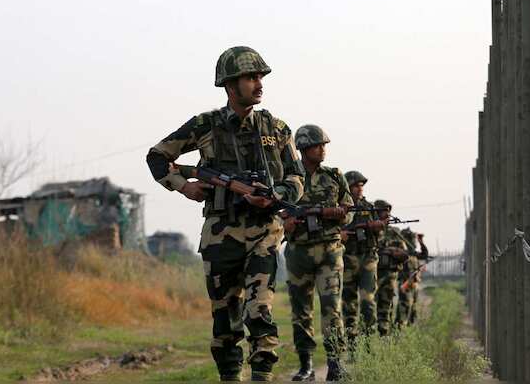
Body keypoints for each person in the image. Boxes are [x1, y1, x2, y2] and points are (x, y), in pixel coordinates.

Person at [146, 46, 304, 381]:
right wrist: (184, 186)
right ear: (230, 85)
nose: (259, 83)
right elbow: (157, 156)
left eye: (260, 77)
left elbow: (297, 177)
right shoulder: (205, 125)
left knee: (259, 311)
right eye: (251, 77)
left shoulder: (277, 129)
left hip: (264, 232)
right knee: (225, 321)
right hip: (221, 235)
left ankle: (261, 376)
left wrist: (275, 197)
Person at [282, 125, 353, 381]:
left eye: (324, 145)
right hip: (298, 251)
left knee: (332, 308)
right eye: (317, 145)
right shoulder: (287, 176)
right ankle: (306, 365)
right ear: (303, 148)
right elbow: (272, 208)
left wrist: (337, 214)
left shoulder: (334, 176)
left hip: (329, 251)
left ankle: (335, 364)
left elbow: (350, 210)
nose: (322, 149)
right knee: (301, 310)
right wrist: (285, 222)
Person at [340, 171, 385, 349]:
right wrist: (341, 234)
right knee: (349, 304)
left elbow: (380, 233)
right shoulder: (340, 208)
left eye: (361, 186)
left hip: (367, 257)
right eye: (355, 186)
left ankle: (368, 344)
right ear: (348, 188)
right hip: (347, 258)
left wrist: (377, 226)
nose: (360, 189)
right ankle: (352, 344)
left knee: (367, 301)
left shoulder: (369, 208)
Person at [374, 200, 408, 337]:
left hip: (390, 275)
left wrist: (394, 252)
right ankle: (366, 335)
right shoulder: (371, 230)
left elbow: (405, 255)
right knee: (368, 305)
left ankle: (384, 335)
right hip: (372, 273)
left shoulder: (394, 233)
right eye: (383, 211)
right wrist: (385, 251)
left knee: (386, 306)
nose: (387, 214)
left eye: (388, 211)